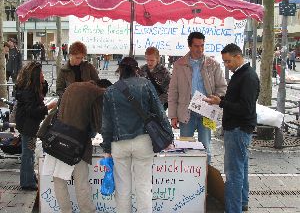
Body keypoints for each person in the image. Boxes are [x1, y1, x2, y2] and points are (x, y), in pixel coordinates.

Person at [101, 57, 169, 213]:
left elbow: (106, 124)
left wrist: (106, 149)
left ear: (120, 70)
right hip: (143, 141)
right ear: (136, 70)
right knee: (143, 186)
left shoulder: (110, 91)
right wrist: (168, 136)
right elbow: (160, 112)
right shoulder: (145, 84)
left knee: (123, 188)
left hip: (119, 144)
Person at [204, 43, 260, 213]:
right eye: (224, 62)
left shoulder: (247, 77)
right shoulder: (240, 74)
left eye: (228, 61)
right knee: (241, 169)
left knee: (234, 173)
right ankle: (242, 203)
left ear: (238, 57)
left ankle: (233, 209)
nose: (226, 65)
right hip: (238, 128)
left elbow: (245, 107)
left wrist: (222, 102)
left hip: (238, 129)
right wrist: (220, 100)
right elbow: (237, 99)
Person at [43, 80, 107, 213]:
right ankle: (87, 211)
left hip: (57, 138)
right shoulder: (97, 93)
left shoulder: (72, 86)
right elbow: (98, 123)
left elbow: (56, 111)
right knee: (81, 182)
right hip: (77, 144)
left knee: (59, 180)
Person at [168, 32, 227, 163]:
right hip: (185, 112)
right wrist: (173, 115)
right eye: (196, 46)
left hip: (206, 112)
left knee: (205, 147)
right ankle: (188, 177)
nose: (199, 49)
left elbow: (222, 87)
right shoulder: (179, 65)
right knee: (185, 147)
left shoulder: (213, 64)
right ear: (189, 46)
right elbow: (173, 91)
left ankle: (206, 178)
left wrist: (215, 99)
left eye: (202, 46)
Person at [15, 61, 57, 190]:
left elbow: (41, 94)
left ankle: (30, 177)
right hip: (28, 126)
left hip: (29, 125)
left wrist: (43, 82)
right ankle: (27, 182)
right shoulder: (28, 91)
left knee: (30, 151)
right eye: (41, 73)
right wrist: (48, 107)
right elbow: (32, 111)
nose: (43, 74)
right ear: (34, 75)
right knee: (28, 153)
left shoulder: (32, 87)